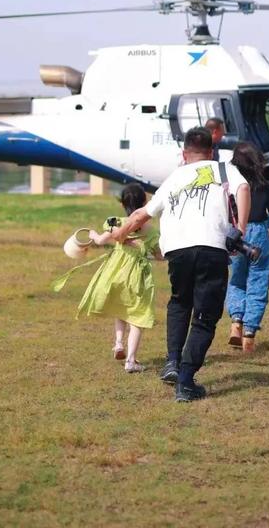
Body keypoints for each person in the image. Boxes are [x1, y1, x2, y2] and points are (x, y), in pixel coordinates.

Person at [114, 126, 250, 402]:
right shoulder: (224, 169)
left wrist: (119, 234)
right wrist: (241, 230)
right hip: (212, 246)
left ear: (184, 153)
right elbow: (244, 189)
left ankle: (172, 363)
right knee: (205, 314)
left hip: (176, 250)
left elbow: (143, 214)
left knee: (179, 303)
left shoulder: (175, 176)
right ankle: (186, 382)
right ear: (211, 152)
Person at [68, 183, 160, 373]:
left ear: (122, 204)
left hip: (115, 272)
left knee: (120, 309)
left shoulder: (114, 222)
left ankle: (118, 343)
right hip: (136, 276)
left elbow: (100, 241)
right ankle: (131, 361)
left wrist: (92, 234)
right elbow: (160, 255)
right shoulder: (151, 231)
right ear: (145, 203)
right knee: (137, 317)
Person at [226, 142, 269, 354]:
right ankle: (249, 333)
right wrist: (266, 222)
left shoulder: (230, 185)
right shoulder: (264, 186)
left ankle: (236, 322)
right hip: (258, 234)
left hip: (235, 235)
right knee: (258, 282)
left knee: (236, 280)